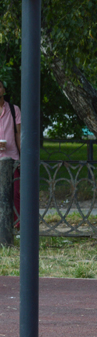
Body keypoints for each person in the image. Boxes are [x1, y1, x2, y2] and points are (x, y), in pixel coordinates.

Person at [0, 79, 21, 228]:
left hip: (12, 158)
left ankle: (17, 225)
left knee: (15, 193)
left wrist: (23, 157)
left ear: (4, 90)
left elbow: (19, 134)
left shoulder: (14, 110)